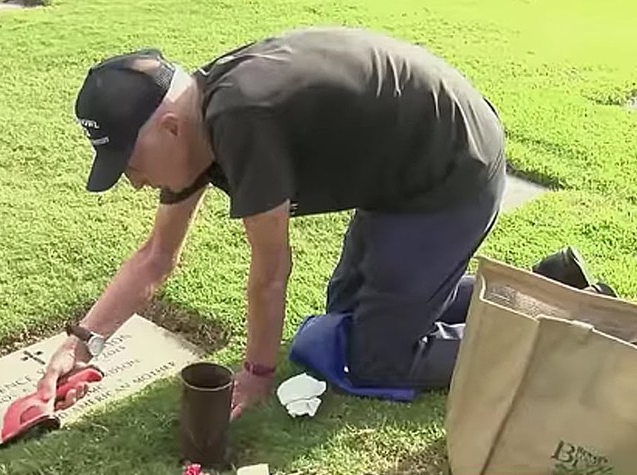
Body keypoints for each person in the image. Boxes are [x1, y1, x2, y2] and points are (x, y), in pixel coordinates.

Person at [36, 26, 508, 419]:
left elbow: (271, 274)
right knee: (345, 313)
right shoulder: (199, 122)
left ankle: (542, 338)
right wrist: (81, 345)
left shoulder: (243, 120)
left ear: (171, 128)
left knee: (376, 360)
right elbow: (156, 257)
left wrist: (257, 375)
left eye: (131, 163)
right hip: (401, 170)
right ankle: (538, 288)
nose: (136, 183)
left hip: (452, 171)